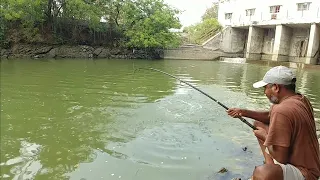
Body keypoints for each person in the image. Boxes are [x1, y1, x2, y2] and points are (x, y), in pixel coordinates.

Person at [227, 66, 320, 180]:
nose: (265, 92)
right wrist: (243, 112)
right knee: (259, 124)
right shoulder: (301, 99)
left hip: (305, 173)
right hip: (313, 165)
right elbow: (269, 117)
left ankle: (271, 171)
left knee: (262, 173)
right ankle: (271, 165)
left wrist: (265, 137)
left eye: (265, 88)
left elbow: (281, 158)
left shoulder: (281, 110)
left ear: (276, 87)